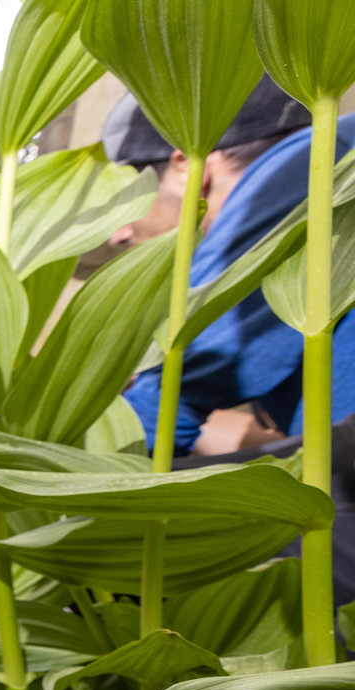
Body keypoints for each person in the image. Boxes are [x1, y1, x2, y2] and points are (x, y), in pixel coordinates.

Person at [106, 78, 355, 459]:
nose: (117, 233)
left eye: (125, 199)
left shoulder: (304, 162)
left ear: (188, 166)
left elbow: (171, 400)